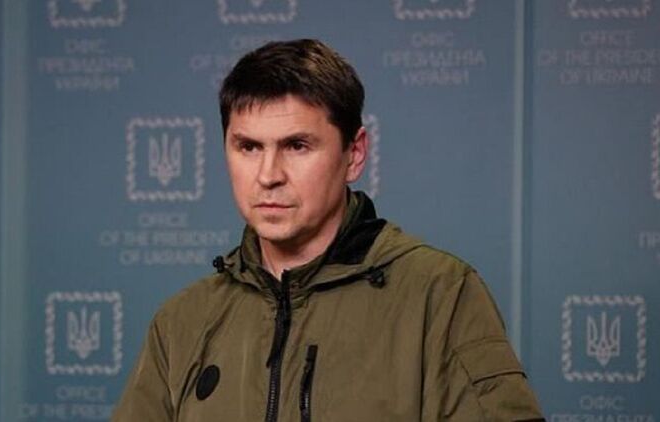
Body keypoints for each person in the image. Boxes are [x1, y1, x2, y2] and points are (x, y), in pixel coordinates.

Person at [113, 39, 544, 421]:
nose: (268, 175)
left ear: (354, 154)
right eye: (249, 147)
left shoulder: (440, 296)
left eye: (297, 146)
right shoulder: (182, 321)